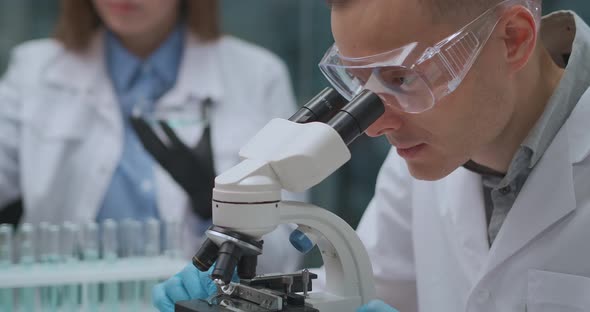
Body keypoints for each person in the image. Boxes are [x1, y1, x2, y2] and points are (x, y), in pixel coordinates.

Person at [154, 0, 590, 311]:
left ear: (512, 39)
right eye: (361, 86)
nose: (377, 125)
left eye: (402, 78)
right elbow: (368, 289)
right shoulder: (420, 159)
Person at [0, 0, 302, 273]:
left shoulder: (258, 76)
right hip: (61, 300)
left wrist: (216, 214)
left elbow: (282, 258)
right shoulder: (33, 69)